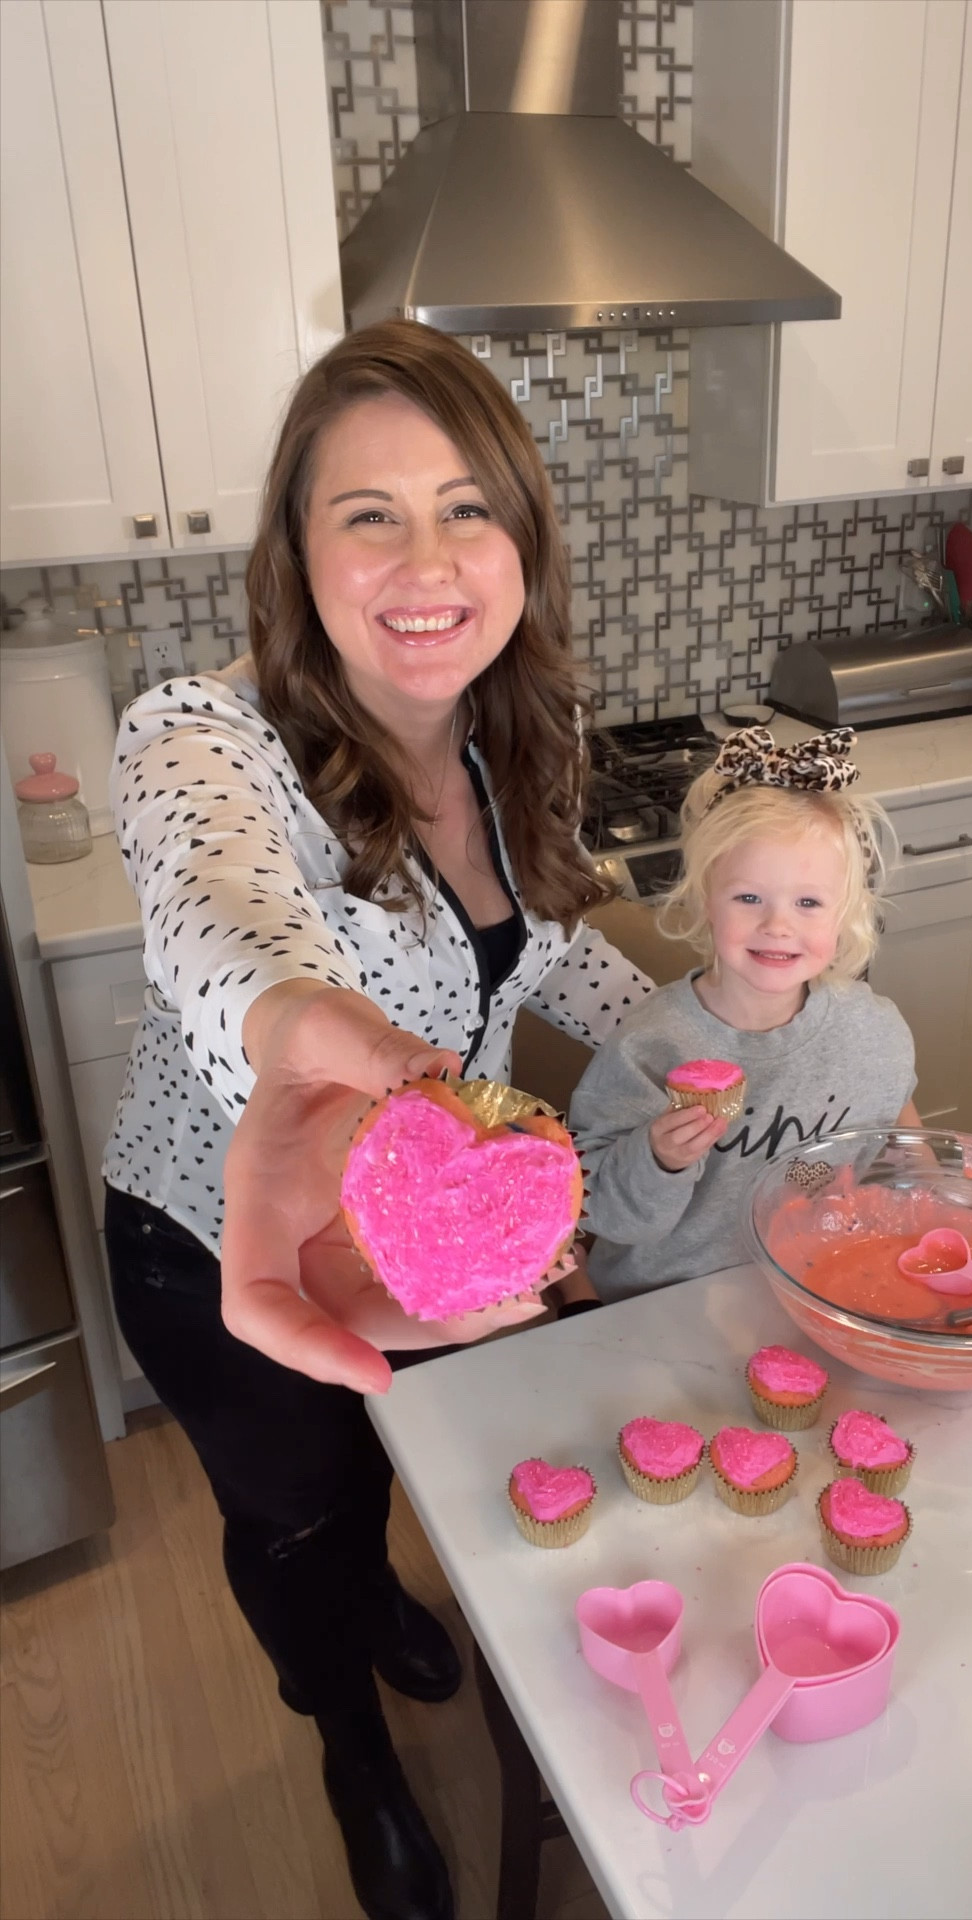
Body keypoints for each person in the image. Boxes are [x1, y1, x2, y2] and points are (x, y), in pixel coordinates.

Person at [102, 319, 652, 1920]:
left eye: (468, 506)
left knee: (416, 1468)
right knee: (299, 1517)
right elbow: (220, 910)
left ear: (522, 538)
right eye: (371, 515)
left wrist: (699, 1045)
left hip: (424, 1236)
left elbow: (547, 944)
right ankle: (349, 1741)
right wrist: (297, 1033)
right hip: (232, 1244)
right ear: (297, 555)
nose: (428, 562)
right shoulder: (203, 736)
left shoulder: (508, 735)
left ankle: (390, 1607)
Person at [568, 726, 921, 1301]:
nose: (778, 925)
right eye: (749, 897)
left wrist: (915, 1200)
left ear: (845, 913)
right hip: (664, 1300)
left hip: (811, 1282)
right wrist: (659, 1157)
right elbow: (603, 1211)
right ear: (706, 899)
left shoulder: (871, 1031)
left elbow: (898, 1149)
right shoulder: (651, 1044)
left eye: (808, 902)